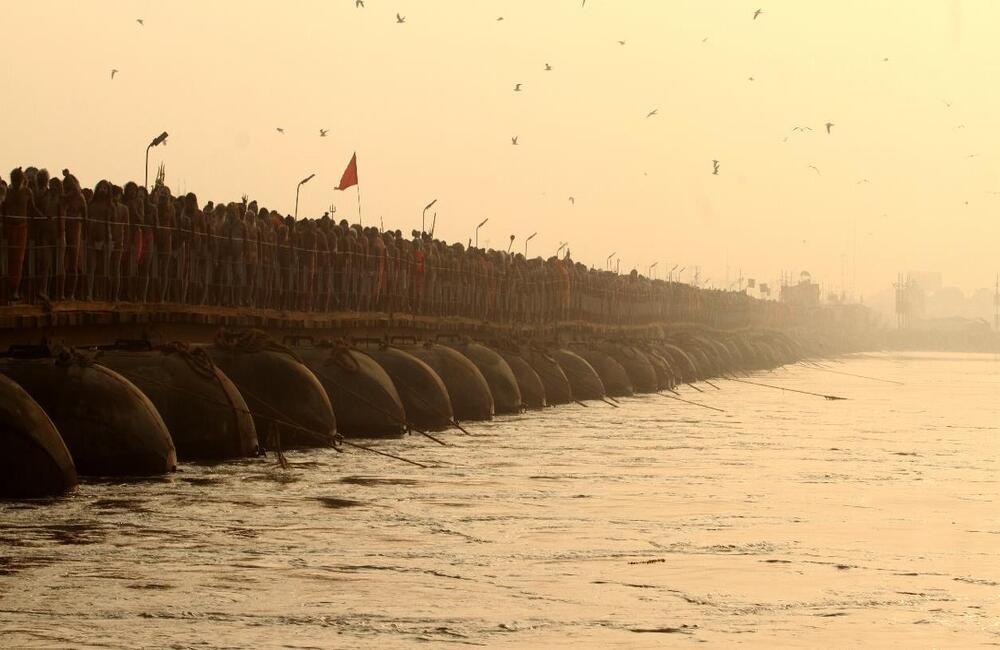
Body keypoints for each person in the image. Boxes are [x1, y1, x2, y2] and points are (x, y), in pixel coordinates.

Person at [2, 168, 44, 303]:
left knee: (18, 260)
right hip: (7, 227)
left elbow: (32, 209)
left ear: (22, 180)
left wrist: (43, 218)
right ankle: (6, 289)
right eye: (13, 179)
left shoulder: (27, 192)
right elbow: (3, 209)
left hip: (22, 227)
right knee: (7, 258)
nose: (15, 182)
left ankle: (15, 289)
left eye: (17, 179)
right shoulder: (7, 192)